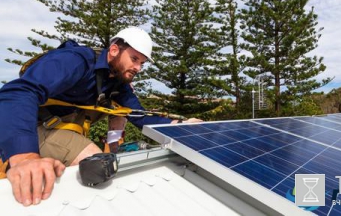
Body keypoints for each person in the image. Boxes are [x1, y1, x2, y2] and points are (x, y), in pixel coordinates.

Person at [0, 26, 201, 206]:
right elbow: (18, 92)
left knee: (119, 113)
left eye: (142, 63)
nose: (138, 68)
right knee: (97, 163)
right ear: (114, 50)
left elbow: (138, 115)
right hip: (33, 126)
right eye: (134, 59)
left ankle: (112, 148)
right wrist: (25, 156)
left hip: (64, 129)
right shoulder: (75, 60)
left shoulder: (118, 83)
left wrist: (179, 124)